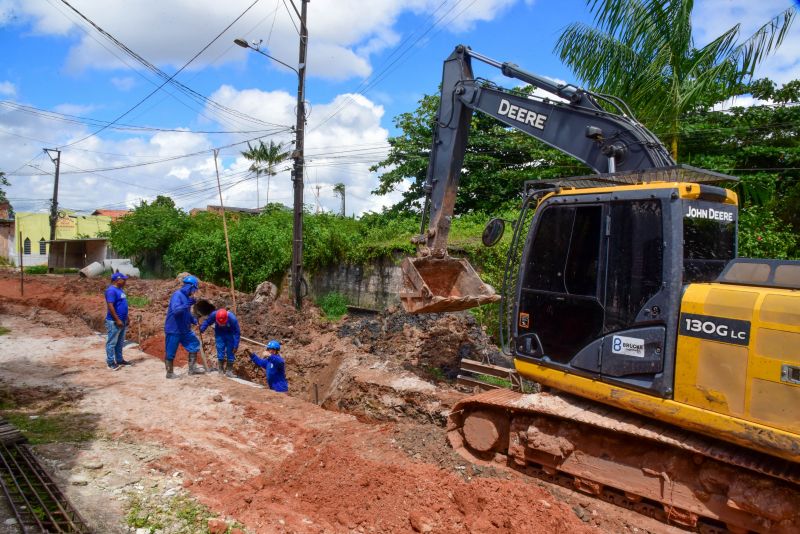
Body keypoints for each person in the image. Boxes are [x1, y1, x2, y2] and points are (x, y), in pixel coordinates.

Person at [163, 275, 203, 379]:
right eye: (193, 289)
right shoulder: (177, 295)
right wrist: (188, 303)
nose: (193, 292)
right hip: (174, 328)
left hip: (184, 329)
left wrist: (193, 320)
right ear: (190, 287)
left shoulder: (186, 297)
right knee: (171, 351)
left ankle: (192, 368)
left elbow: (186, 312)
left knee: (194, 344)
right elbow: (176, 310)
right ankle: (169, 373)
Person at [199, 307, 240, 378]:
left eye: (223, 323)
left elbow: (237, 333)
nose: (221, 324)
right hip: (220, 334)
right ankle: (220, 370)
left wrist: (236, 345)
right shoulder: (214, 315)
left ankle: (229, 371)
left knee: (231, 351)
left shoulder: (232, 319)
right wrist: (202, 329)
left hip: (230, 334)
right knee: (220, 349)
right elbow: (207, 322)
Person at [105, 272, 131, 370]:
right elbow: (110, 306)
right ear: (117, 280)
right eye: (123, 279)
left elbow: (122, 305)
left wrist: (126, 317)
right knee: (112, 342)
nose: (125, 281)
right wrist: (117, 319)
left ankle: (119, 359)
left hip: (122, 320)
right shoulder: (111, 291)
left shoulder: (120, 290)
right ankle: (110, 362)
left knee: (120, 342)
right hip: (114, 321)